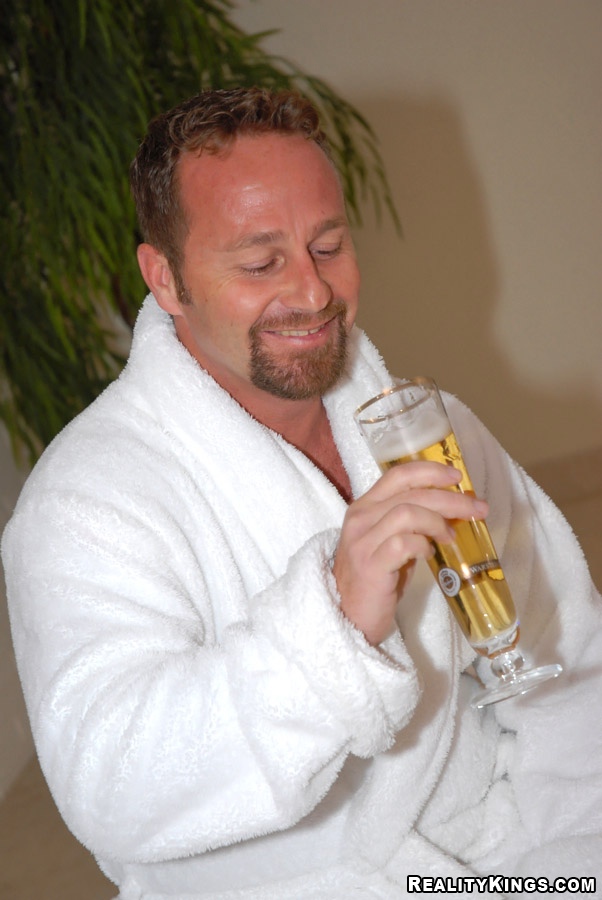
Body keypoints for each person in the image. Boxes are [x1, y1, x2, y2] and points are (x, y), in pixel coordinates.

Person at [3, 87, 602, 900]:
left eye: (328, 245)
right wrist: (333, 627)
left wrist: (567, 862)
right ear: (165, 278)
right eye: (260, 263)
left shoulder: (426, 431)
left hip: (502, 853)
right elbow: (109, 782)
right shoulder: (84, 502)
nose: (314, 291)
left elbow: (568, 663)